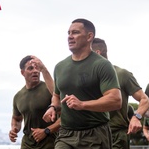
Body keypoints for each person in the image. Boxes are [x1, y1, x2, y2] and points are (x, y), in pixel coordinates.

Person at [43, 18, 122, 149]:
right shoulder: (60, 67)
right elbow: (57, 95)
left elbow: (115, 100)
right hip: (66, 134)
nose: (70, 37)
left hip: (94, 134)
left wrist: (82, 104)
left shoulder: (102, 65)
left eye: (75, 33)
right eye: (68, 33)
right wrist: (52, 107)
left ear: (89, 36)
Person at [92, 38, 149, 149]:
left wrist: (136, 117)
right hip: (91, 136)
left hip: (116, 136)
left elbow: (144, 99)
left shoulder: (121, 74)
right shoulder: (85, 78)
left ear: (97, 53)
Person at [9, 55, 60, 149]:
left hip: (49, 142)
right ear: (22, 72)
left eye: (37, 68)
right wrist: (14, 129)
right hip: (27, 144)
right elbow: (17, 118)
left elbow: (64, 115)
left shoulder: (48, 89)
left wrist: (46, 131)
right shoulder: (18, 96)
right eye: (30, 68)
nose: (35, 71)